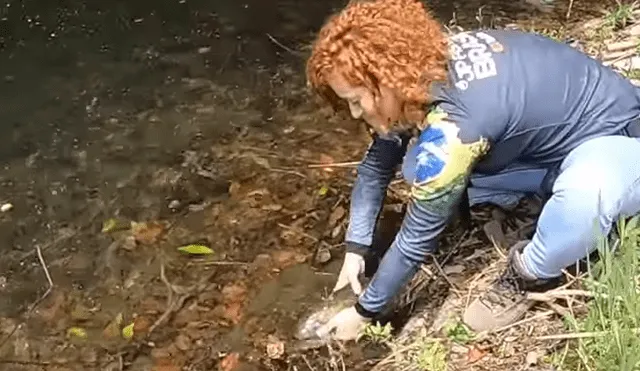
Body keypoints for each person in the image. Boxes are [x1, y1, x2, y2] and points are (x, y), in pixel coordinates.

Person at [305, 0, 640, 339]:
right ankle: (546, 198)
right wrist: (356, 249)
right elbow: (377, 165)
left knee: (584, 197)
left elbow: (416, 239)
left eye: (355, 100)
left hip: (619, 141)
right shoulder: (422, 68)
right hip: (548, 148)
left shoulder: (456, 127)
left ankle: (531, 272)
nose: (355, 114)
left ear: (385, 81)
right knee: (415, 166)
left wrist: (364, 313)